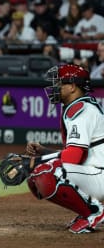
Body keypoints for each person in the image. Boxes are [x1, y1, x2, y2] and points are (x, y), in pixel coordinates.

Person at [25, 64, 104, 234]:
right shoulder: (81, 106)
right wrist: (44, 152)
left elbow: (74, 157)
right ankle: (85, 210)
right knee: (36, 174)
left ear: (73, 86)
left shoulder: (81, 110)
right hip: (96, 173)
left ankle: (93, 211)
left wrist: (36, 161)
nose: (55, 87)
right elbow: (76, 155)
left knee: (46, 171)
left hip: (100, 175)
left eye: (60, 83)